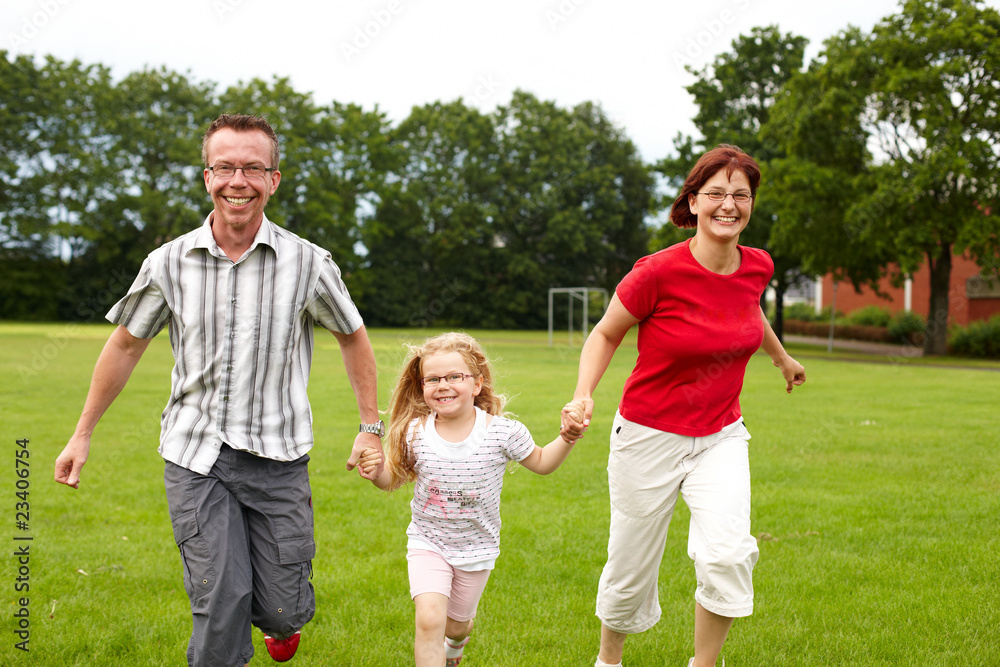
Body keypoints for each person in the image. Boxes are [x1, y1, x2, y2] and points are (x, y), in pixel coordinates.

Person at [53, 113, 384, 666]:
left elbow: (353, 338)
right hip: (195, 454)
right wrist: (81, 434)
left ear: (274, 180)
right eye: (225, 167)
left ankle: (281, 623)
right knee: (221, 597)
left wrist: (369, 427)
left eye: (253, 168)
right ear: (206, 176)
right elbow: (126, 345)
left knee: (282, 608)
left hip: (279, 457)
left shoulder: (308, 263)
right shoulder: (168, 263)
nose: (239, 180)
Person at [563, 144, 807, 667]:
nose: (728, 204)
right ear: (693, 202)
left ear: (751, 205)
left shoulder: (756, 266)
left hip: (720, 434)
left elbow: (747, 310)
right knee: (630, 565)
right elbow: (605, 334)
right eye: (715, 193)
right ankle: (609, 660)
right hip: (647, 435)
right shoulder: (656, 273)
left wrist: (782, 358)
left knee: (727, 552)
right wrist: (584, 394)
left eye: (740, 195)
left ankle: (703, 663)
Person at [357, 332, 584, 667]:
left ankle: (455, 646)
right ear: (422, 387)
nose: (442, 385)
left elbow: (542, 463)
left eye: (454, 377)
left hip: (476, 548)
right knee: (429, 620)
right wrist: (376, 472)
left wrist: (567, 437)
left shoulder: (504, 432)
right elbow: (395, 479)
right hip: (427, 541)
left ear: (477, 384)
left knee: (456, 626)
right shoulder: (414, 432)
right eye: (432, 379)